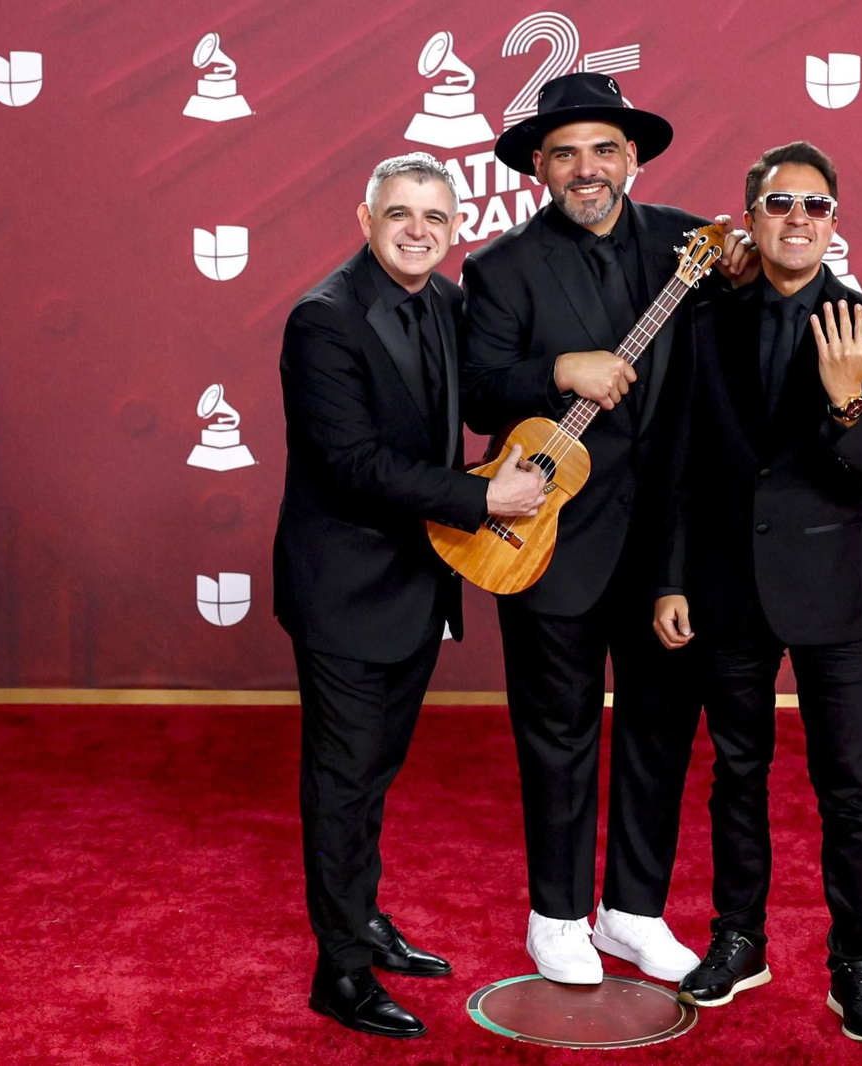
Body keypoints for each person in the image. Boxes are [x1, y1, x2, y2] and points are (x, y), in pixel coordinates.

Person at [460, 72, 755, 986]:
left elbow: (734, 361)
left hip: (670, 540)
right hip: (551, 534)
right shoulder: (500, 267)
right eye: (566, 153)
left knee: (662, 727)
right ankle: (556, 915)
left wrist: (748, 280)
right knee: (557, 729)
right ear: (539, 167)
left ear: (631, 156)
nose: (586, 168)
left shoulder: (689, 246)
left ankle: (631, 911)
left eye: (603, 149)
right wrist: (559, 369)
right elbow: (477, 393)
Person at [273, 152, 548, 1039]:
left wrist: (570, 375)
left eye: (435, 216)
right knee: (343, 779)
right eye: (400, 215)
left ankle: (361, 917)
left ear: (456, 225)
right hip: (345, 591)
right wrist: (484, 498)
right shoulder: (322, 321)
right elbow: (351, 466)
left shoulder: (447, 304)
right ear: (366, 219)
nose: (418, 230)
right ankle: (340, 970)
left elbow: (488, 394)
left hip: (416, 584)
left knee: (374, 772)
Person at [654, 141, 862, 1043]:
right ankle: (739, 938)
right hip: (727, 588)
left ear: (835, 222)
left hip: (834, 591)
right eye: (778, 204)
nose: (797, 219)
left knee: (846, 785)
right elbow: (681, 464)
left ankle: (856, 962)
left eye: (815, 206)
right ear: (751, 217)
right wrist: (673, 578)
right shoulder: (705, 319)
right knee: (737, 775)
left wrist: (847, 401)